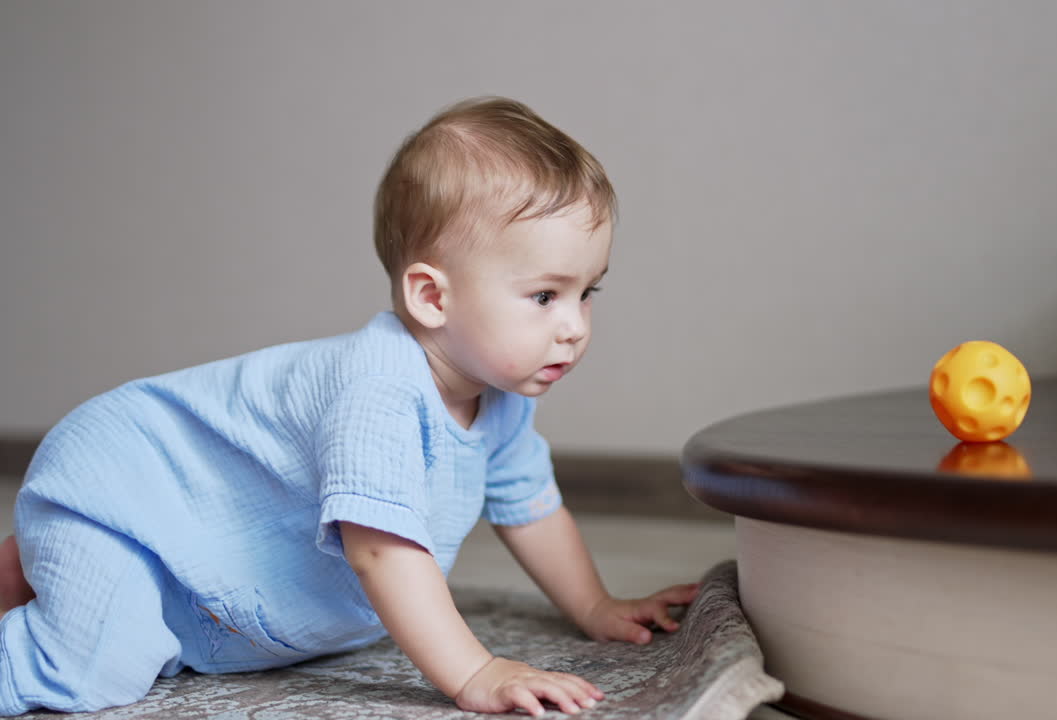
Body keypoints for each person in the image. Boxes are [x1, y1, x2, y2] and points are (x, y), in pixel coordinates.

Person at [0, 97, 698, 717]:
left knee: (163, 634)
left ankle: (37, 569)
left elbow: (532, 507)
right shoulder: (378, 390)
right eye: (545, 296)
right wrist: (475, 670)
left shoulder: (501, 401)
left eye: (588, 294)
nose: (574, 325)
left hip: (193, 541)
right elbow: (381, 552)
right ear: (432, 297)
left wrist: (596, 606)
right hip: (126, 490)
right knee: (96, 669)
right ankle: (58, 564)